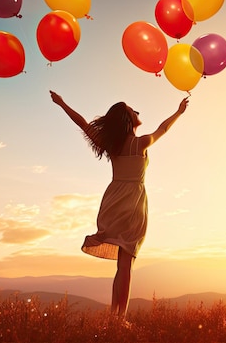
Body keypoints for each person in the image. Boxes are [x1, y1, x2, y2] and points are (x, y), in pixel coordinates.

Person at [49, 90, 188, 319]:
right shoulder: (141, 143)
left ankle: (115, 317)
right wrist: (178, 112)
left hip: (113, 200)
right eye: (133, 111)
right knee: (126, 265)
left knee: (121, 267)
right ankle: (118, 320)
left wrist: (62, 103)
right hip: (133, 203)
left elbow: (83, 123)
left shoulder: (112, 145)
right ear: (128, 119)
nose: (137, 112)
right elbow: (163, 129)